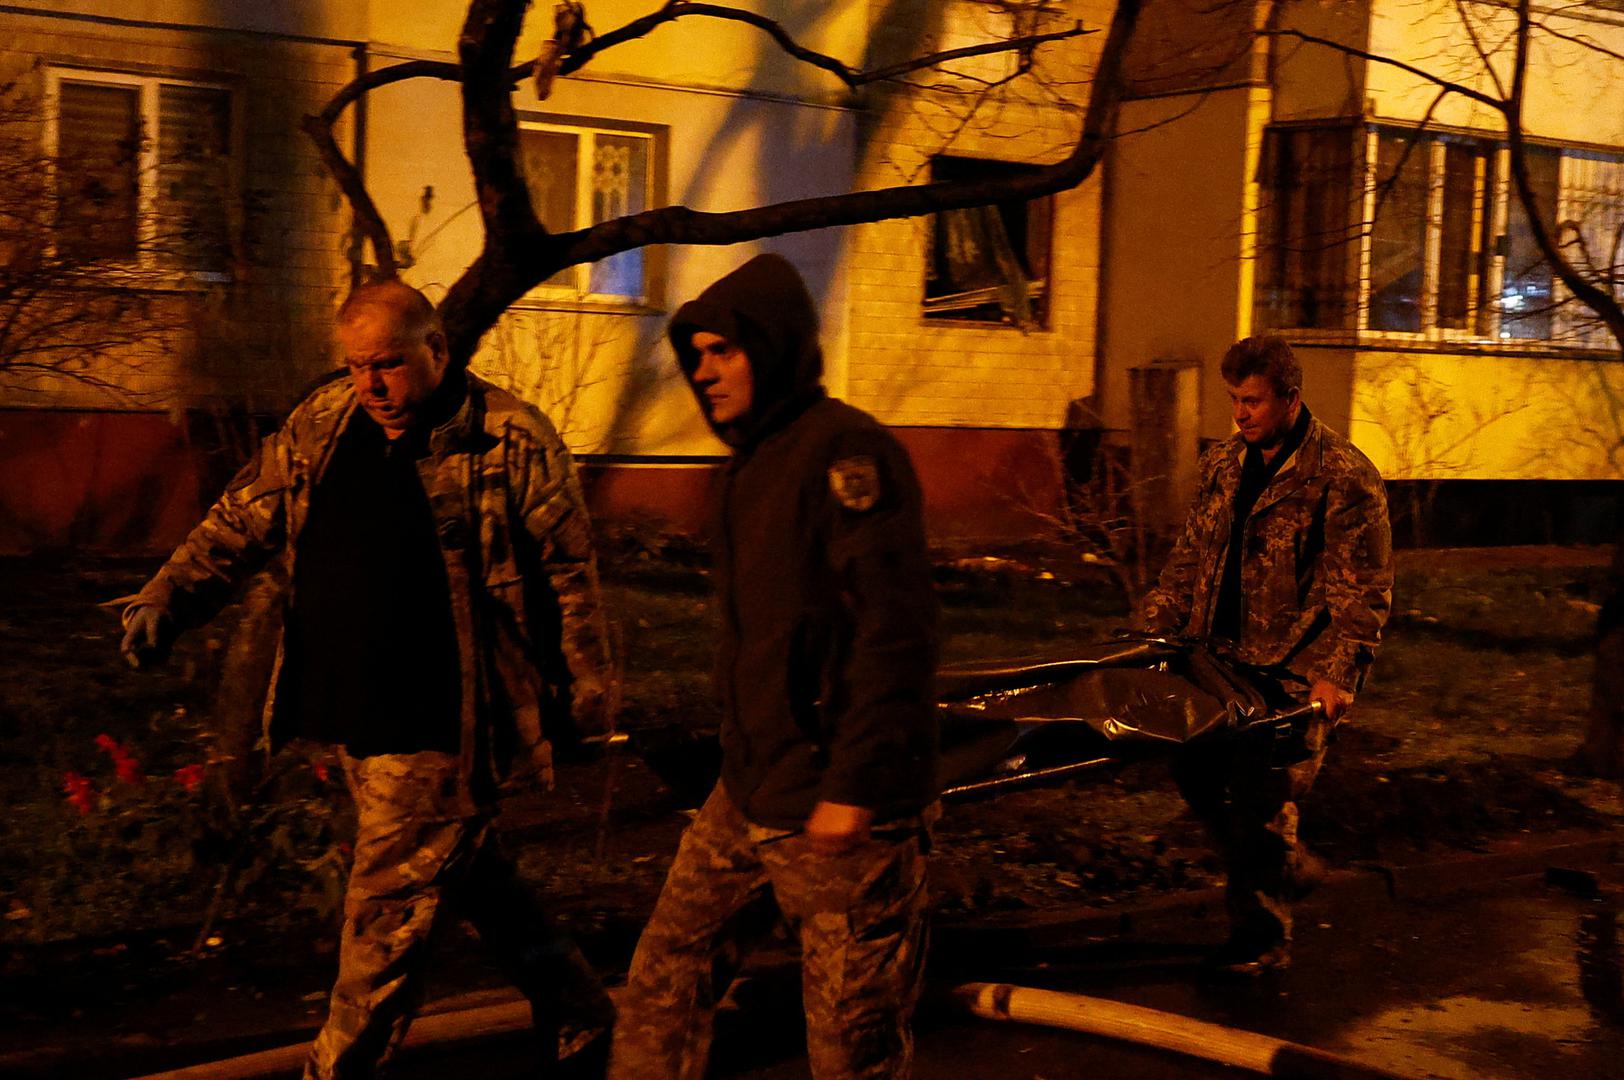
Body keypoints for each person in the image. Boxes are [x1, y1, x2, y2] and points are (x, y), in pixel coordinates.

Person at [119, 280, 615, 1078]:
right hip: (353, 709)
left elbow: (568, 577)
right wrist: (167, 597)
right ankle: (581, 1009)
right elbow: (244, 516)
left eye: (387, 364)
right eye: (356, 366)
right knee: (473, 876)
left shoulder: (507, 438)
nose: (371, 384)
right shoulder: (325, 420)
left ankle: (338, 1070)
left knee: (383, 922)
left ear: (436, 350)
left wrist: (584, 702)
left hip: (443, 720)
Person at [608, 253, 939, 1080]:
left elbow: (894, 632)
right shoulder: (748, 466)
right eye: (697, 355)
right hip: (752, 788)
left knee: (850, 1044)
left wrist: (854, 786)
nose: (703, 373)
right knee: (664, 981)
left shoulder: (845, 454)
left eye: (724, 351)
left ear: (775, 345)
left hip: (838, 802)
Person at [1140, 334, 1393, 976]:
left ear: (1290, 399)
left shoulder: (1342, 476)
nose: (1240, 414)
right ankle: (1287, 867)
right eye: (1234, 399)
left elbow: (1363, 589)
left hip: (1290, 673)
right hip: (1216, 659)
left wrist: (1338, 675)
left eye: (1252, 401)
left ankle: (1261, 939)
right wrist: (1156, 621)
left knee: (1261, 799)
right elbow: (1191, 554)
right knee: (1194, 772)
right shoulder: (1223, 464)